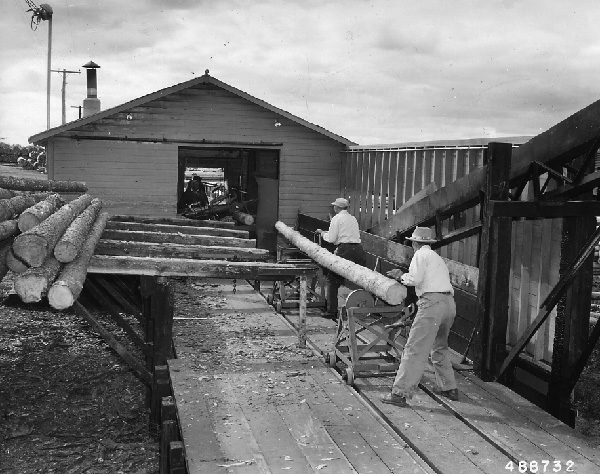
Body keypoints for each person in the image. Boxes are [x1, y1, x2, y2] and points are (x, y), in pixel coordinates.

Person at [381, 226, 459, 407]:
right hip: (449, 304)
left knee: (415, 348)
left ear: (415, 242)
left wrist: (401, 276)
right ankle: (449, 388)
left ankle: (399, 394)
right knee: (439, 346)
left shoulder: (420, 255)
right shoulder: (437, 258)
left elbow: (414, 280)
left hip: (431, 304)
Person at [316, 197, 367, 319]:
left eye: (334, 206)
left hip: (345, 250)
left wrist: (323, 234)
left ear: (337, 207)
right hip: (359, 250)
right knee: (362, 279)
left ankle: (331, 311)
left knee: (332, 280)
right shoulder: (353, 218)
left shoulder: (336, 218)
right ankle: (363, 307)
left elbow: (332, 239)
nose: (334, 208)